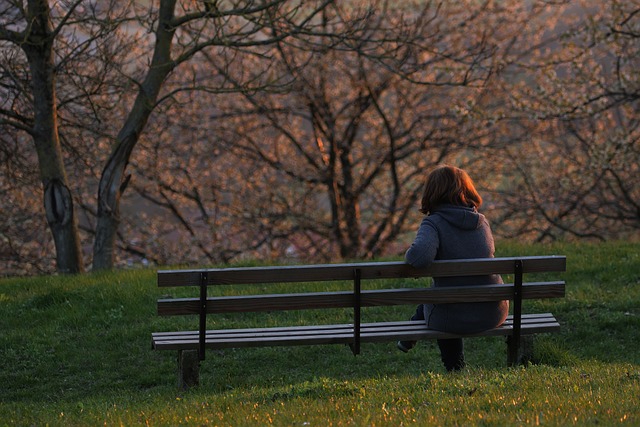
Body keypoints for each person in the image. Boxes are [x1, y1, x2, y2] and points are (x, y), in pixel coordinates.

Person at [397, 165, 509, 372]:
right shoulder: (482, 222)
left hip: (453, 315)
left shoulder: (434, 223)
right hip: (492, 311)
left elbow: (418, 258)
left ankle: (455, 367)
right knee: (436, 299)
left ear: (433, 192)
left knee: (437, 301)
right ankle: (408, 338)